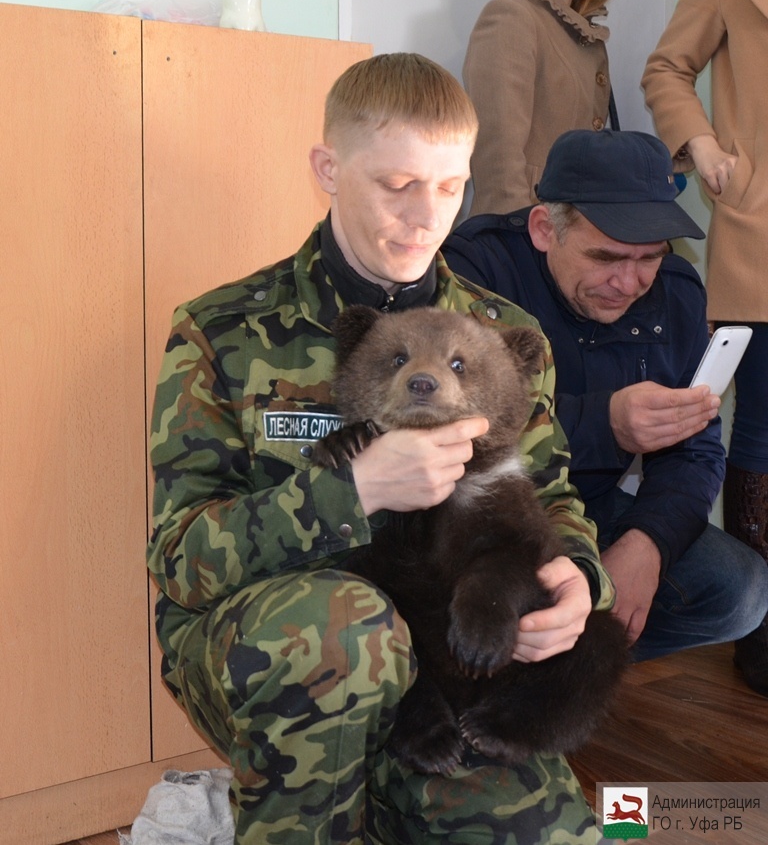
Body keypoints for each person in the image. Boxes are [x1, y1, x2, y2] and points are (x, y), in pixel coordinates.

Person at [146, 53, 617, 845]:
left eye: (448, 185)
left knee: (563, 836)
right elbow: (181, 559)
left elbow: (553, 499)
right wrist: (351, 491)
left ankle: (375, 805)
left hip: (449, 663)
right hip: (274, 658)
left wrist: (576, 576)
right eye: (396, 185)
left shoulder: (503, 339)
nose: (425, 215)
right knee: (344, 624)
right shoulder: (222, 332)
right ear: (329, 169)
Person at [442, 129, 768, 680]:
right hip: (484, 514)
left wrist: (647, 546)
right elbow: (455, 432)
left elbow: (696, 453)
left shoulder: (677, 291)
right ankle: (480, 672)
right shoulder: (474, 273)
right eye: (605, 256)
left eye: (649, 257)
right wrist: (605, 423)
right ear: (545, 229)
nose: (630, 282)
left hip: (595, 508)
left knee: (742, 592)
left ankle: (557, 671)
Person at [642, 0, 768, 692]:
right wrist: (709, 152)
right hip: (760, 235)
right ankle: (763, 634)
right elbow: (666, 68)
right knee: (757, 435)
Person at [463, 0, 628, 217]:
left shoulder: (582, 31)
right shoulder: (511, 17)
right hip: (525, 242)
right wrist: (521, 251)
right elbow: (499, 168)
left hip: (568, 242)